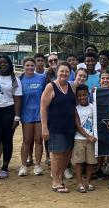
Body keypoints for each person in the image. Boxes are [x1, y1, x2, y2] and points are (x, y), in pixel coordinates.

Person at [0, 56, 23, 182]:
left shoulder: (15, 79)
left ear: (9, 64)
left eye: (5, 62)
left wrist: (16, 118)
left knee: (7, 140)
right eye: (0, 63)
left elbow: (17, 99)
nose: (3, 64)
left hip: (9, 111)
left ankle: (5, 168)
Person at [41, 62, 76, 193]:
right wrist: (44, 127)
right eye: (62, 71)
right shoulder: (51, 87)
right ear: (57, 72)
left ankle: (60, 178)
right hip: (56, 127)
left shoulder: (71, 87)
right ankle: (55, 182)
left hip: (69, 126)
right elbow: (43, 108)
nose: (64, 74)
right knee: (57, 154)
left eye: (67, 71)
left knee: (66, 154)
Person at [18, 58, 47, 177]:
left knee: (38, 140)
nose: (30, 67)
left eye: (32, 65)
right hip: (26, 114)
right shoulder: (20, 79)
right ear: (23, 66)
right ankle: (23, 166)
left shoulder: (41, 78)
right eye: (27, 65)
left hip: (39, 113)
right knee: (27, 141)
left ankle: (38, 165)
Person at [72, 84, 97, 193]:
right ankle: (79, 183)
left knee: (90, 162)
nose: (82, 97)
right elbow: (77, 125)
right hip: (79, 139)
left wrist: (93, 137)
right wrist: (88, 136)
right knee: (79, 162)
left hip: (92, 140)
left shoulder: (93, 107)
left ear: (88, 94)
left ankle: (88, 181)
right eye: (80, 96)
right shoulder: (76, 109)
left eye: (85, 95)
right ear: (77, 97)